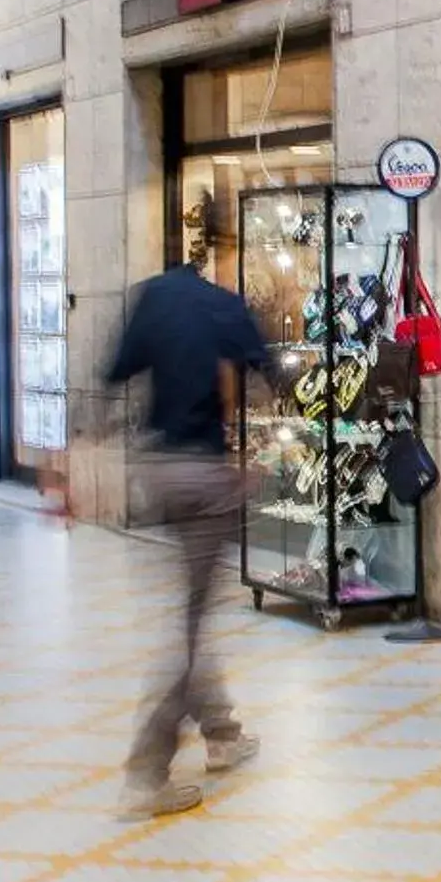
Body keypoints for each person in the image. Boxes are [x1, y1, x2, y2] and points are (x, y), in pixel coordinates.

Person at [103, 255, 267, 818]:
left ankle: (223, 732)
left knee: (192, 609)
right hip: (204, 475)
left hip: (158, 469)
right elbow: (263, 374)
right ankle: (145, 776)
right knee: (189, 631)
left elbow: (113, 375)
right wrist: (248, 459)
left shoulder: (151, 297)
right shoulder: (222, 304)